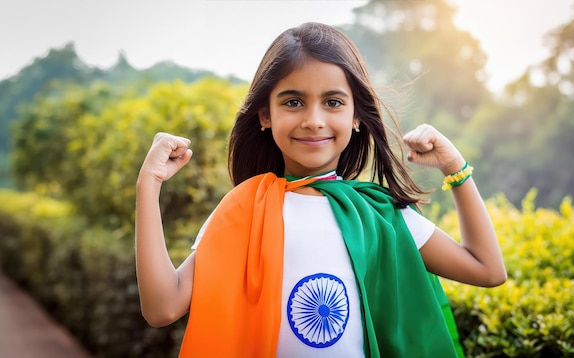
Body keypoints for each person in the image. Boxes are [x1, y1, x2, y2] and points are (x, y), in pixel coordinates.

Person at [135, 22, 506, 358]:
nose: (314, 121)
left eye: (333, 102)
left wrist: (455, 168)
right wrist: (148, 186)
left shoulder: (380, 214)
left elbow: (487, 269)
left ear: (356, 115)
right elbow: (162, 307)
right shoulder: (243, 210)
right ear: (265, 115)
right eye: (293, 102)